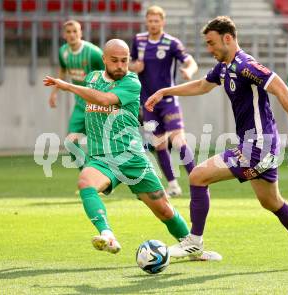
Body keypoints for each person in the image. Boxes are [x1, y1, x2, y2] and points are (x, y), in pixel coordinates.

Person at [145, 16, 288, 268]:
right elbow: (201, 86)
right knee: (271, 202)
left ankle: (194, 241)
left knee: (197, 176)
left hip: (258, 146)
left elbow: (281, 88)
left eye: (212, 43)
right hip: (257, 146)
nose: (210, 49)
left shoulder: (246, 65)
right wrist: (165, 91)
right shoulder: (224, 67)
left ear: (228, 38)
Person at [43, 39, 221, 261]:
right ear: (104, 60)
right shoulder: (92, 78)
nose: (120, 65)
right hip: (102, 157)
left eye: (124, 60)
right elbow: (89, 102)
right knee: (85, 183)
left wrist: (68, 86)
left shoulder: (131, 82)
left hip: (132, 158)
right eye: (115, 61)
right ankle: (107, 235)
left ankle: (194, 248)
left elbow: (106, 100)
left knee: (163, 209)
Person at [129, 5, 198, 197]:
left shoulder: (171, 43)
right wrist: (135, 66)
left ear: (163, 22)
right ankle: (173, 185)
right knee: (159, 144)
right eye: (150, 21)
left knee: (178, 140)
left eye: (156, 21)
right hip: (148, 103)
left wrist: (188, 72)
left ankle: (197, 180)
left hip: (168, 101)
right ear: (146, 22)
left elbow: (190, 61)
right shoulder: (139, 40)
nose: (153, 24)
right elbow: (129, 63)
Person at [49, 20, 105, 170]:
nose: (72, 34)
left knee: (101, 146)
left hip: (98, 105)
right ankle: (89, 176)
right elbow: (62, 69)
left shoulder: (93, 53)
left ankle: (104, 177)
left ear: (81, 33)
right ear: (64, 34)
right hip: (80, 106)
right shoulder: (63, 52)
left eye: (75, 31)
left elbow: (109, 73)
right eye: (69, 32)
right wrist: (54, 92)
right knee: (70, 142)